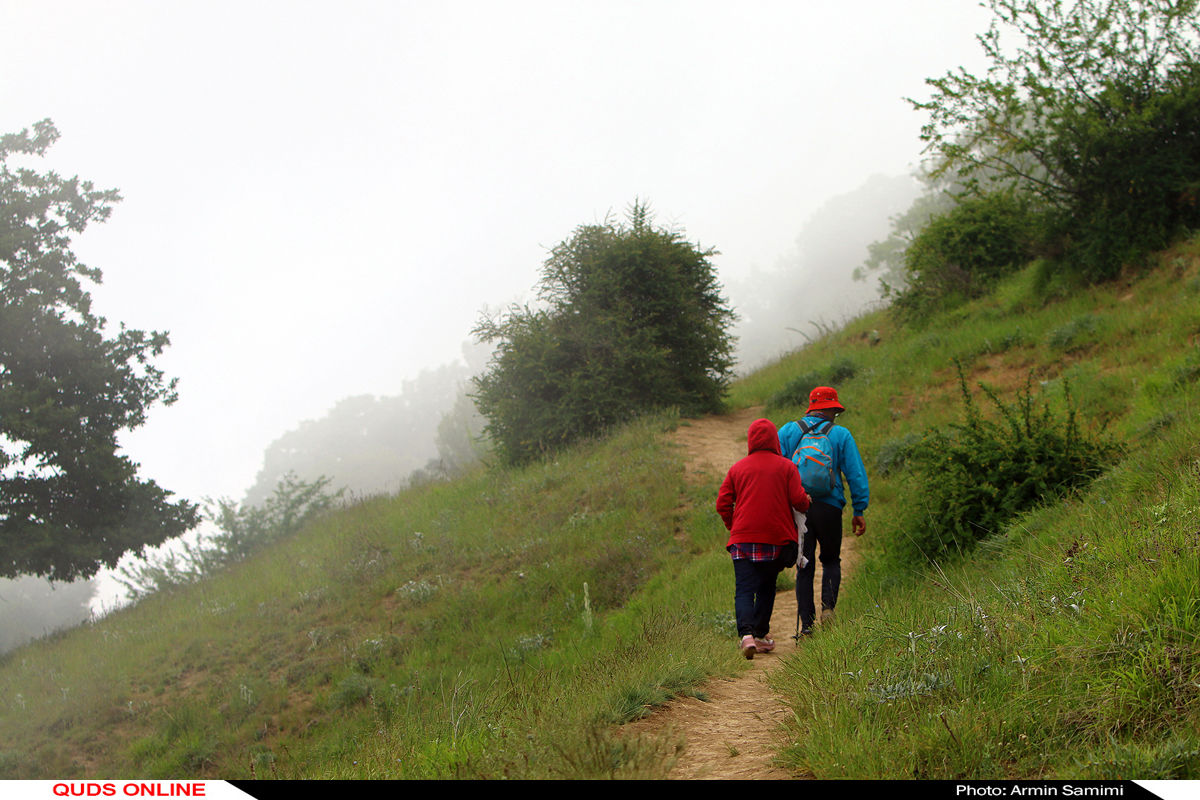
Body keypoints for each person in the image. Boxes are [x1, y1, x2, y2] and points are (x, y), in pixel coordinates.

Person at [778, 386, 869, 637]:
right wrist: (859, 508)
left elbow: (777, 471)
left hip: (800, 509)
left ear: (812, 407)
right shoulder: (840, 434)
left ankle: (806, 627)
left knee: (803, 566)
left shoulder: (788, 431)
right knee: (830, 560)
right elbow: (855, 474)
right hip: (830, 507)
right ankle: (828, 608)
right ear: (831, 409)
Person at [717, 418, 811, 659]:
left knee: (745, 590)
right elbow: (798, 500)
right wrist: (807, 502)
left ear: (751, 440)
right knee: (767, 588)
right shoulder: (786, 467)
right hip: (774, 540)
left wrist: (733, 525)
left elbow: (723, 503)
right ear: (774, 440)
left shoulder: (737, 468)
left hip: (742, 540)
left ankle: (746, 636)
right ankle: (760, 634)